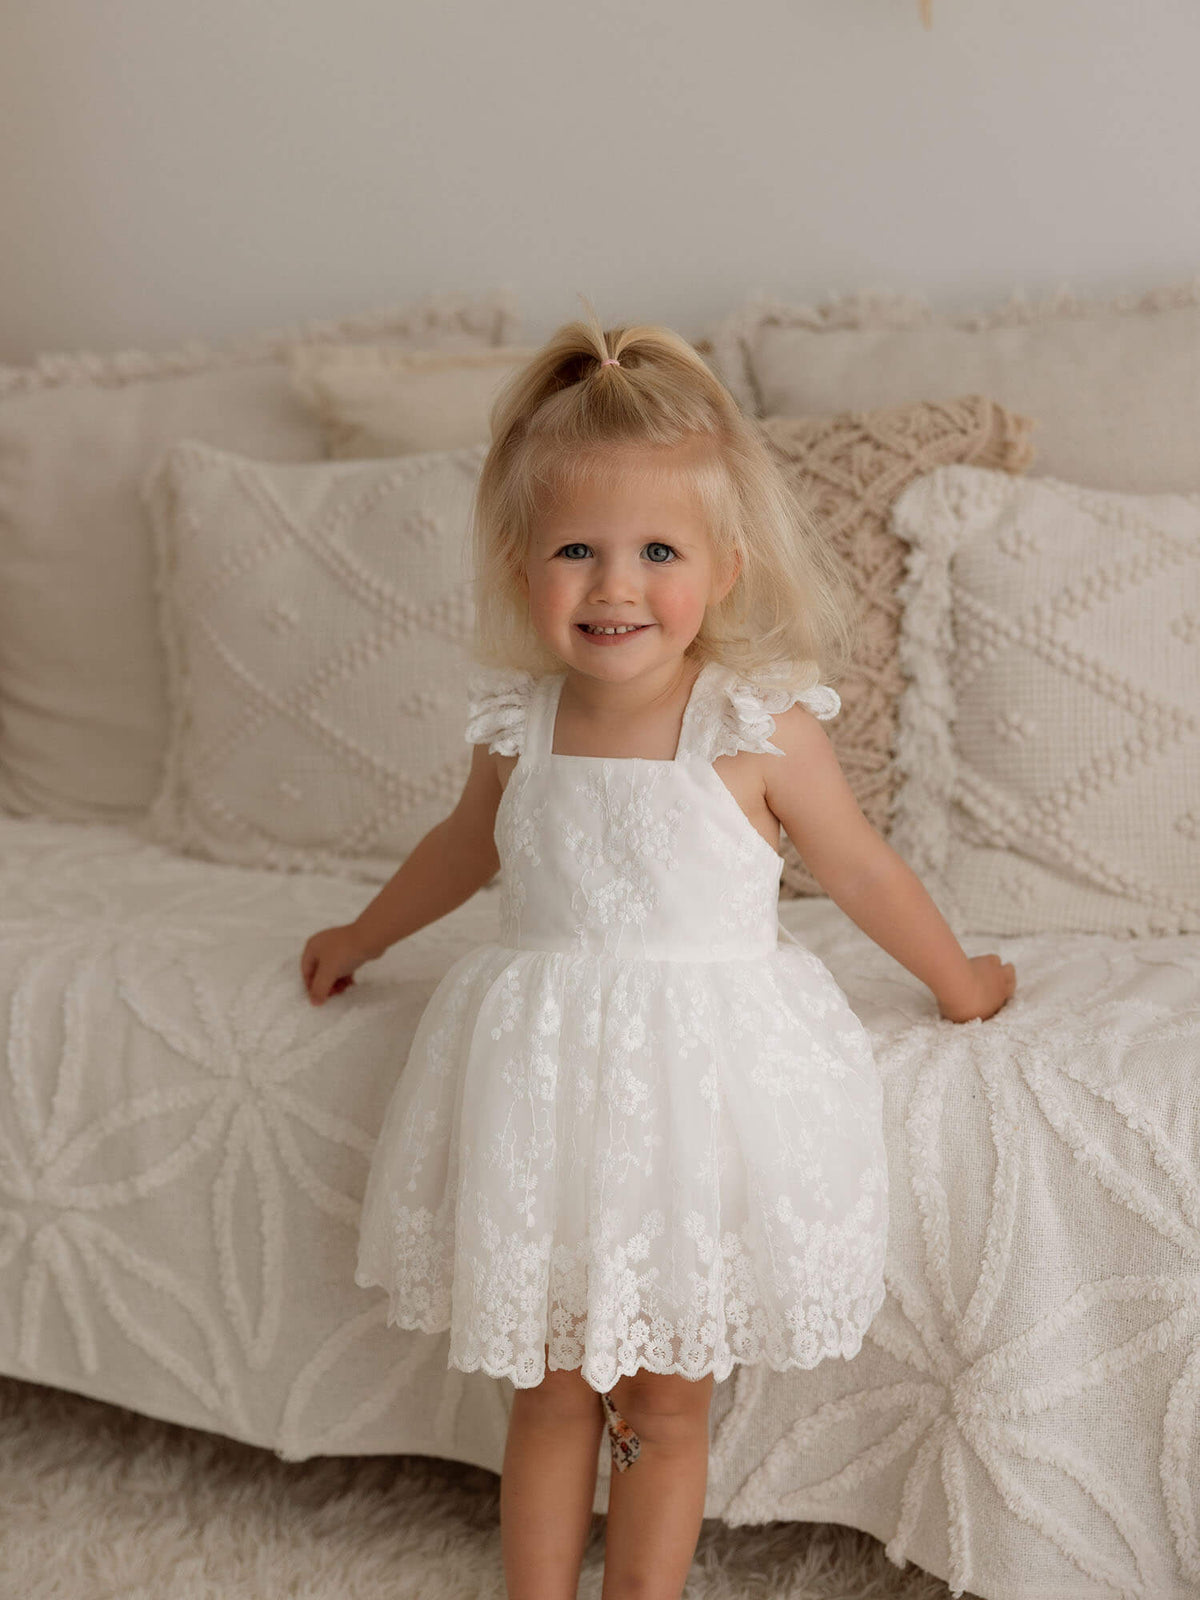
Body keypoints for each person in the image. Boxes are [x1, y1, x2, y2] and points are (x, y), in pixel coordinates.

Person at [299, 301, 1017, 1600]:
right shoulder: (520, 723)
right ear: (524, 567)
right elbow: (468, 850)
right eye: (575, 549)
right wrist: (362, 932)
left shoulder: (753, 722)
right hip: (550, 1096)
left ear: (726, 567)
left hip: (696, 1097)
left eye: (656, 551)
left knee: (667, 1403)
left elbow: (855, 864)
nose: (616, 584)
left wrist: (959, 980)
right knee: (551, 1392)